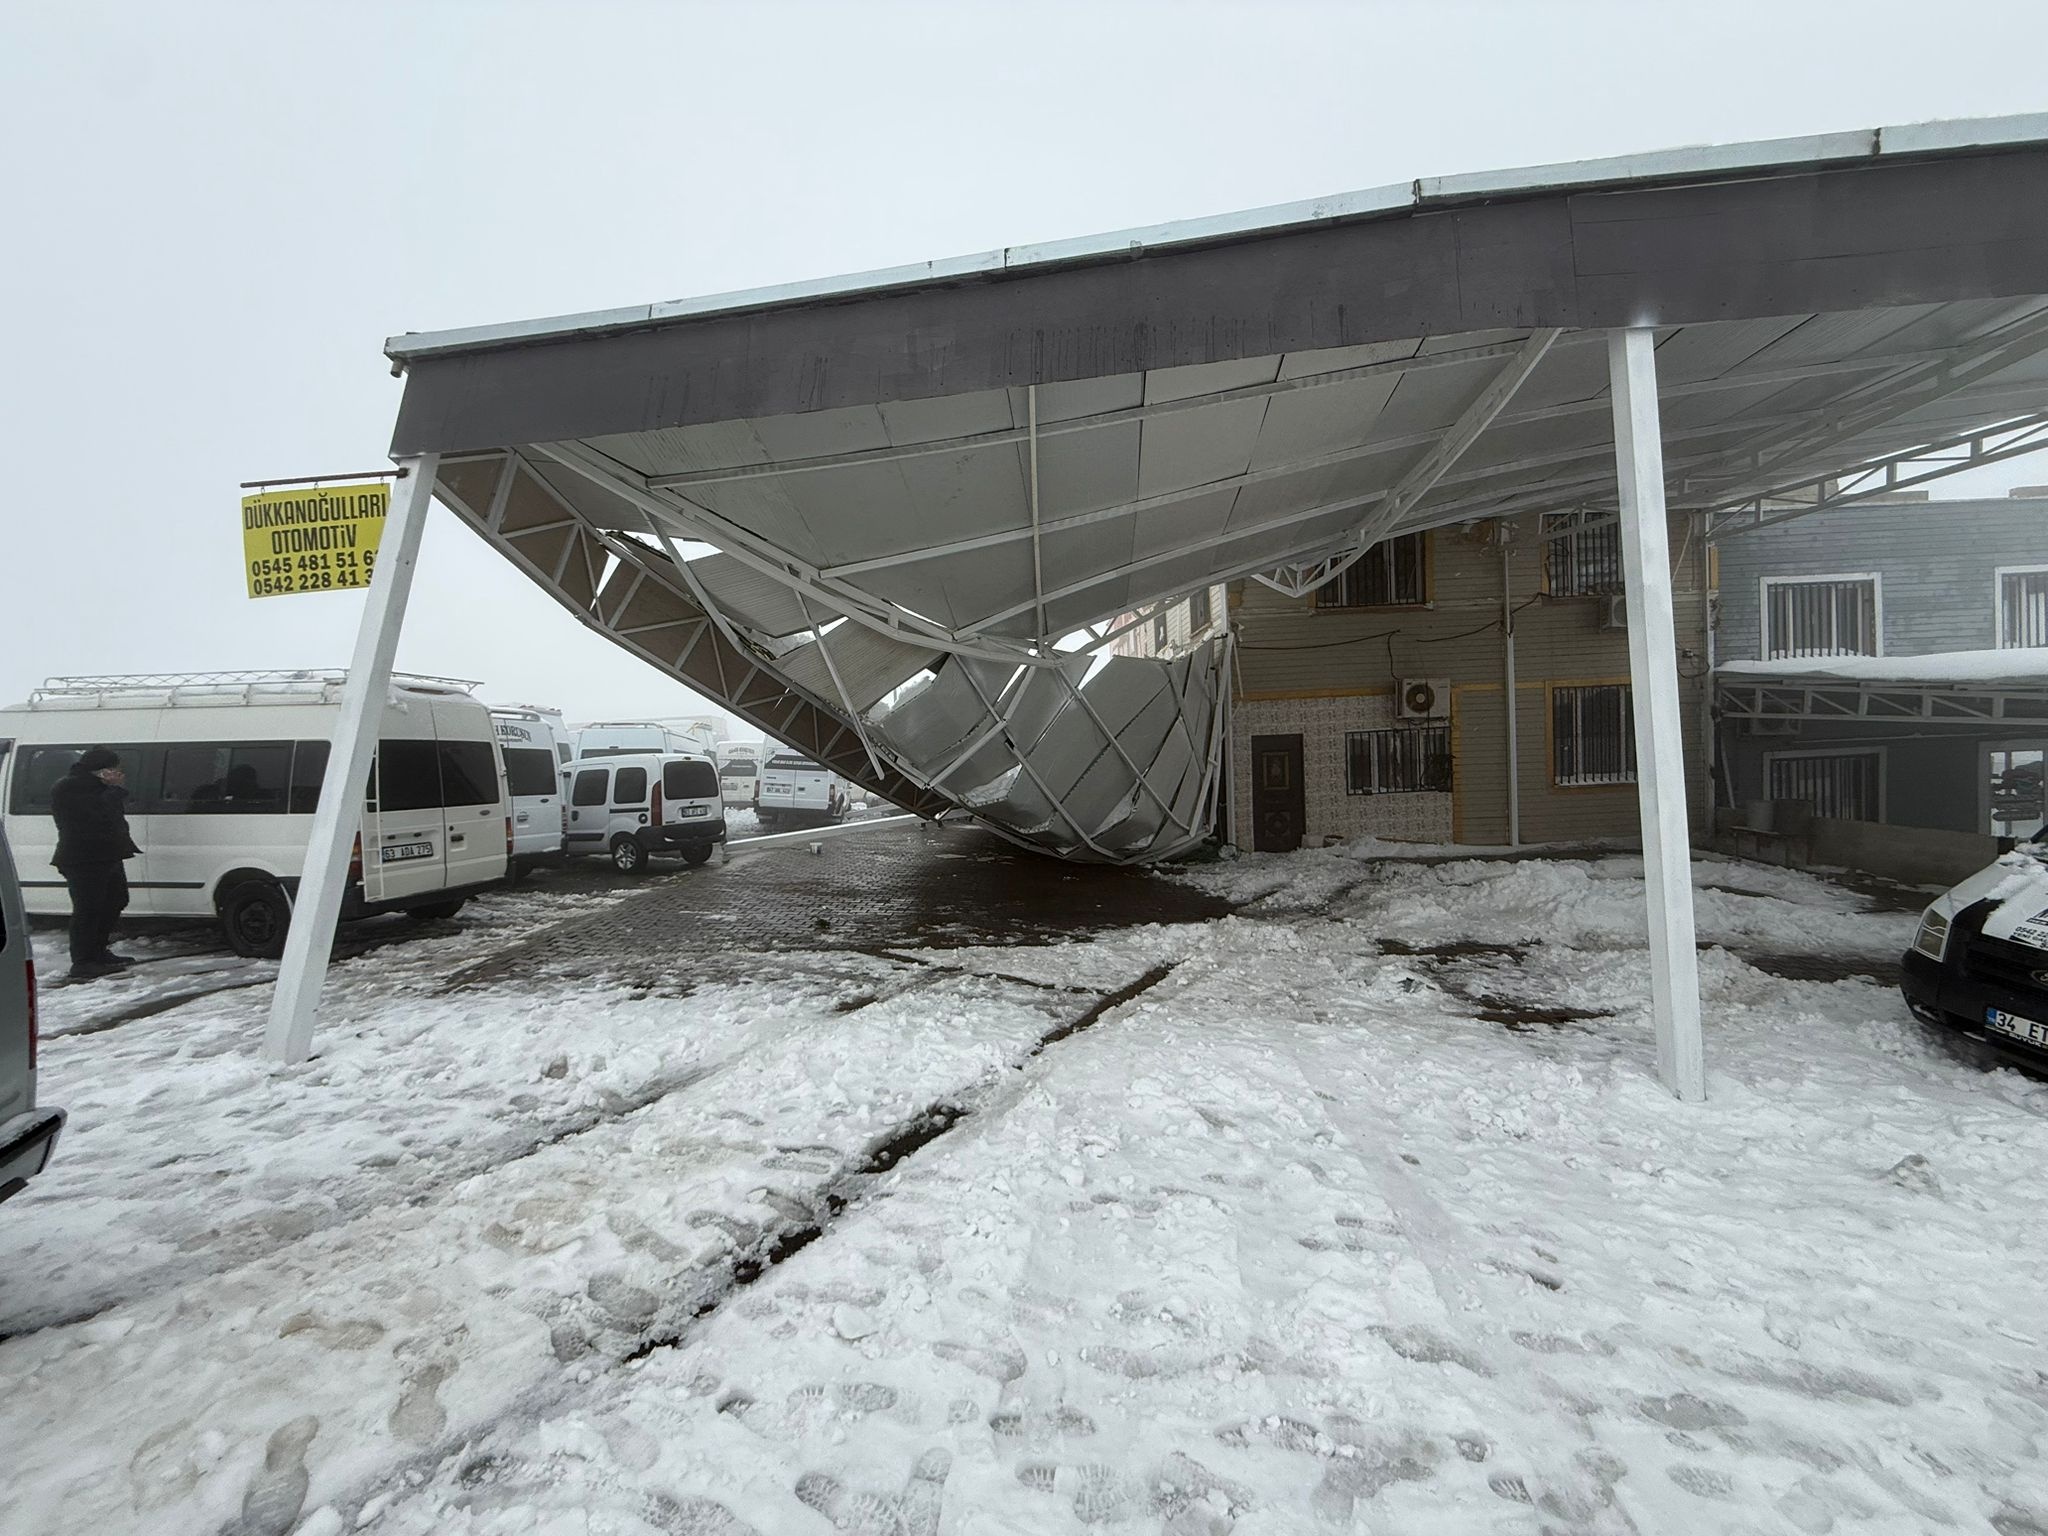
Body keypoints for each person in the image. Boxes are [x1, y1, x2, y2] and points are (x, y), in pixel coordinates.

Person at [50, 746, 142, 980]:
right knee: (87, 909)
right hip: (83, 858)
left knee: (116, 899)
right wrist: (114, 790)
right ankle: (83, 961)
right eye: (113, 769)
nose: (118, 773)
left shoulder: (99, 788)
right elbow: (95, 813)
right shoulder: (69, 787)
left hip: (108, 854)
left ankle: (98, 951)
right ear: (101, 770)